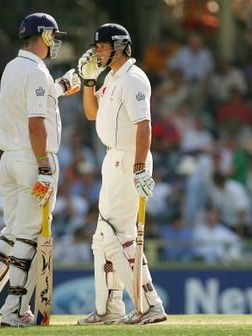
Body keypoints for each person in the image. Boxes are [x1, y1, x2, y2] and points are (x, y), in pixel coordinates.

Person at [0, 12, 79, 327]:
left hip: (9, 159)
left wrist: (61, 86)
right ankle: (14, 310)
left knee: (12, 233)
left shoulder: (13, 68)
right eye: (54, 36)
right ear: (44, 37)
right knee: (29, 236)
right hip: (34, 158)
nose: (55, 42)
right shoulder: (37, 72)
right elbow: (36, 122)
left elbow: (34, 101)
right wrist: (43, 165)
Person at [76, 23, 166, 325]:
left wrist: (139, 168)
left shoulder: (133, 78)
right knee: (103, 238)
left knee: (117, 236)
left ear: (120, 46)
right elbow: (91, 113)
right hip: (113, 159)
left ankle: (149, 304)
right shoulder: (111, 78)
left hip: (129, 160)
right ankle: (108, 308)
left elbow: (144, 126)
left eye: (102, 46)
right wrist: (88, 81)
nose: (97, 52)